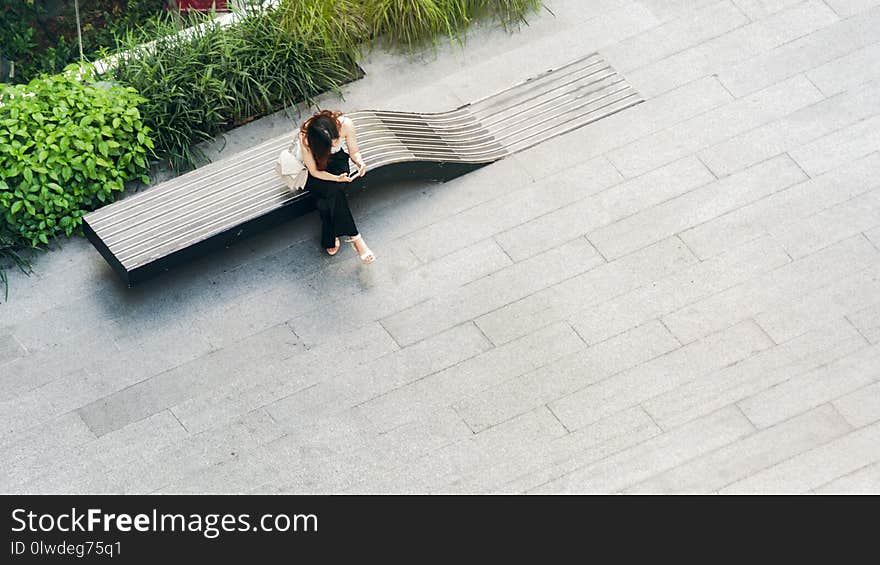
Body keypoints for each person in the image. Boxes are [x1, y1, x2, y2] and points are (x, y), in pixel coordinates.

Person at [299, 109, 375, 263]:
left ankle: (330, 234)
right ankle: (356, 239)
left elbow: (354, 152)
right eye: (330, 143)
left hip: (337, 162)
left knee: (325, 203)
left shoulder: (345, 124)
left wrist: (360, 162)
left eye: (336, 139)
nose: (335, 143)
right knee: (334, 190)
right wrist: (336, 179)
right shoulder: (306, 138)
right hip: (316, 168)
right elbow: (314, 171)